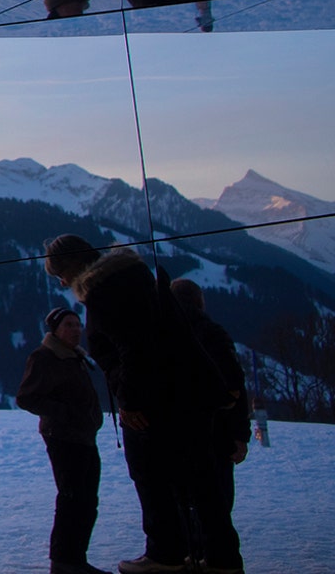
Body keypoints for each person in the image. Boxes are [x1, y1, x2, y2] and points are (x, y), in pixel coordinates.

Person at [42, 235, 235, 574]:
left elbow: (134, 350)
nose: (61, 282)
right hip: (186, 394)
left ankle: (166, 555)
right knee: (200, 479)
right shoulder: (132, 278)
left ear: (73, 267)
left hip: (156, 402)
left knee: (152, 476)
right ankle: (220, 559)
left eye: (59, 273)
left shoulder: (105, 292)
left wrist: (129, 401)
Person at [15, 307, 106, 574]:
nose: (76, 330)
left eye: (78, 325)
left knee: (86, 501)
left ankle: (75, 559)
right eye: (68, 325)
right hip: (64, 438)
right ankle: (65, 562)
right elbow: (26, 397)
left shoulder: (73, 357)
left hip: (84, 437)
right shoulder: (45, 357)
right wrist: (66, 414)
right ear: (55, 330)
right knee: (73, 500)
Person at [168, 279, 248, 571]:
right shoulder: (212, 334)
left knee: (183, 505)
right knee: (216, 505)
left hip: (175, 436)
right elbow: (235, 387)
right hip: (218, 435)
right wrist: (240, 434)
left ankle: (192, 556)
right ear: (199, 301)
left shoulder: (162, 336)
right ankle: (218, 560)